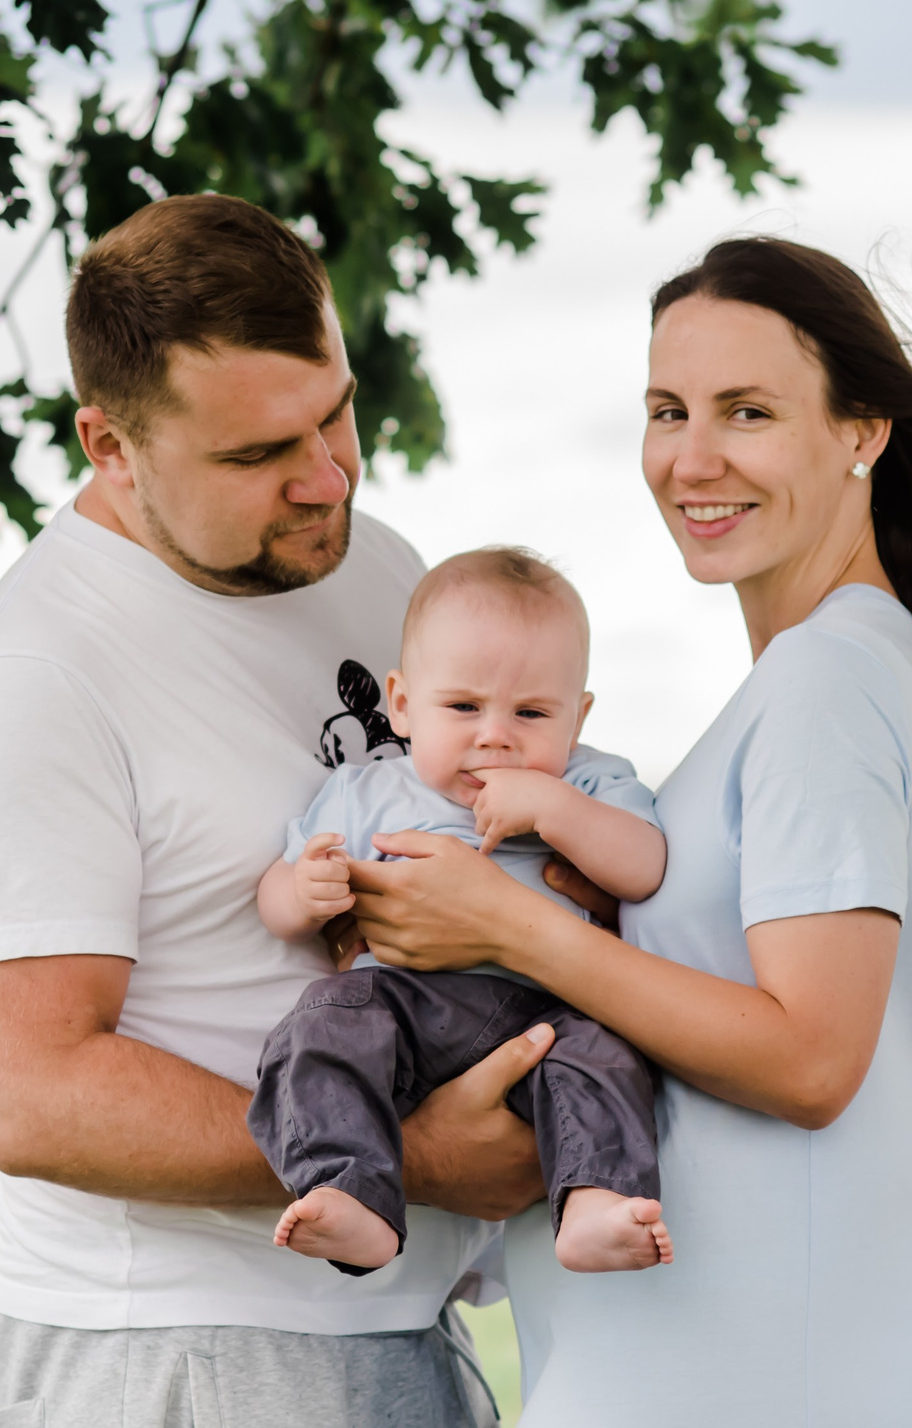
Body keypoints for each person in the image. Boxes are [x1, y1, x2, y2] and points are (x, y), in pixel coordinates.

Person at [346, 237, 912, 1425]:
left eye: (748, 411)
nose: (692, 457)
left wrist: (513, 927)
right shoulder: (834, 671)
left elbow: (809, 1060)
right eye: (668, 410)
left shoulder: (825, 683)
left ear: (861, 430)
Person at [0, 194, 552, 1428]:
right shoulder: (28, 687)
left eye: (335, 412)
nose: (324, 477)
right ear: (110, 444)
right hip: (178, 1359)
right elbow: (35, 1093)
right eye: (255, 455)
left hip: (394, 1327)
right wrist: (412, 1153)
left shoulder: (372, 563)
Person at [249, 548, 674, 1279]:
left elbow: (646, 865)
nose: (495, 735)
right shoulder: (367, 791)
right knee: (320, 1024)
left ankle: (597, 1202)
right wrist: (301, 892)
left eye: (532, 713)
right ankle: (348, 1191)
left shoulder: (589, 781)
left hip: (552, 1006)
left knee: (605, 1056)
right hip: (403, 1004)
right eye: (463, 707)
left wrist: (556, 808)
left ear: (577, 718)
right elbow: (276, 895)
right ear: (403, 704)